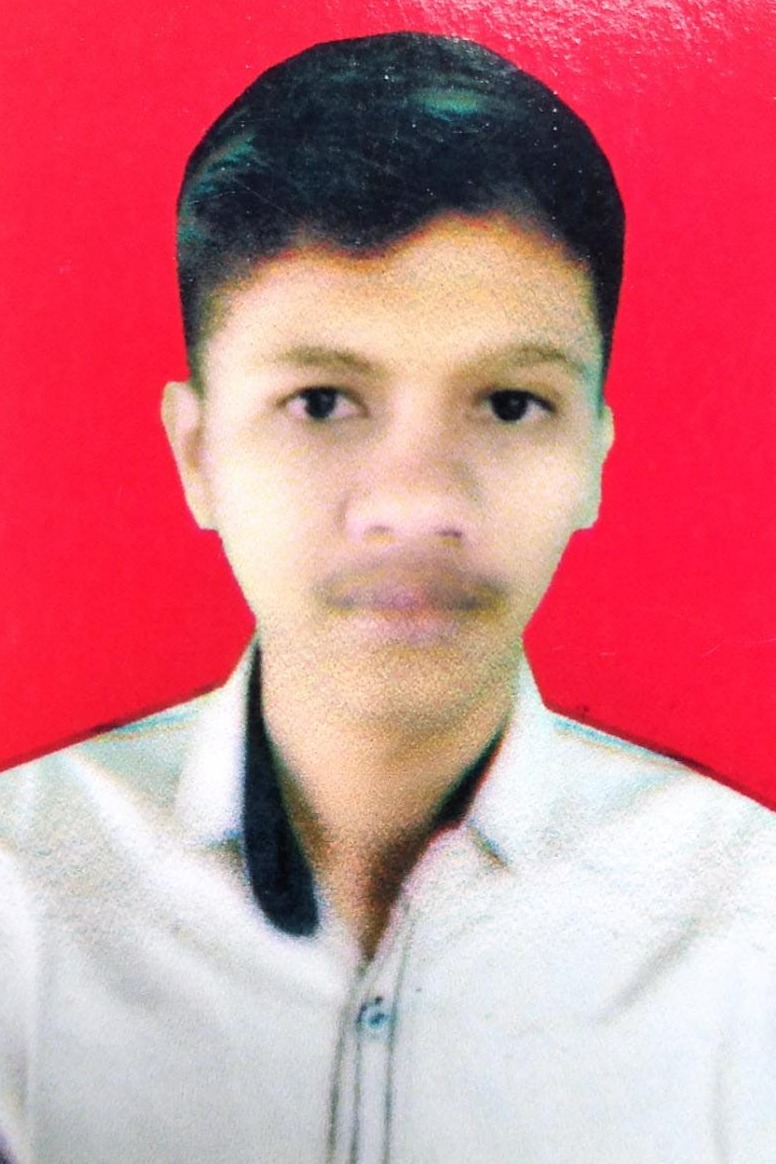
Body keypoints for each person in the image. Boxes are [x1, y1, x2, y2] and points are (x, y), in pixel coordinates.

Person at [1, 31, 774, 1164]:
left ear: (593, 458)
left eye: (509, 404)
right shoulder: (18, 899)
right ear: (198, 454)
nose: (416, 502)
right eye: (322, 401)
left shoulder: (748, 927)